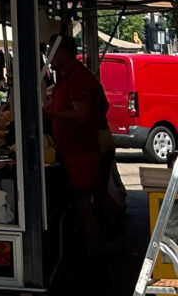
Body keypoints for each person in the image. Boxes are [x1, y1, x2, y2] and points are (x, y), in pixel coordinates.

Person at [44, 34, 110, 254]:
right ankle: (99, 245)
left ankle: (95, 253)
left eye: (51, 52)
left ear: (63, 52)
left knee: (84, 205)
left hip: (81, 152)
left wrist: (51, 113)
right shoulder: (64, 79)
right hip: (74, 149)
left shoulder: (78, 79)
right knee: (91, 200)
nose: (48, 57)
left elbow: (81, 115)